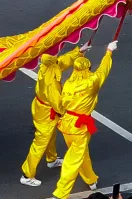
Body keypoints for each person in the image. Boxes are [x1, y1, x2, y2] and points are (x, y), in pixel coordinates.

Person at [52, 41, 118, 199]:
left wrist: (79, 53)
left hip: (66, 123)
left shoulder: (68, 83)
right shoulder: (91, 83)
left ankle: (91, 179)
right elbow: (103, 70)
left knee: (81, 153)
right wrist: (108, 52)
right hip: (80, 126)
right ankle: (60, 194)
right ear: (87, 68)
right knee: (73, 159)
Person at [20, 46, 84, 187]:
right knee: (41, 141)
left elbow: (61, 62)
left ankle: (52, 159)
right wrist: (65, 113)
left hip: (43, 108)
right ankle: (27, 173)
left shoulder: (49, 66)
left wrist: (78, 52)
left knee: (50, 135)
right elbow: (56, 101)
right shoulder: (50, 80)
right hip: (46, 112)